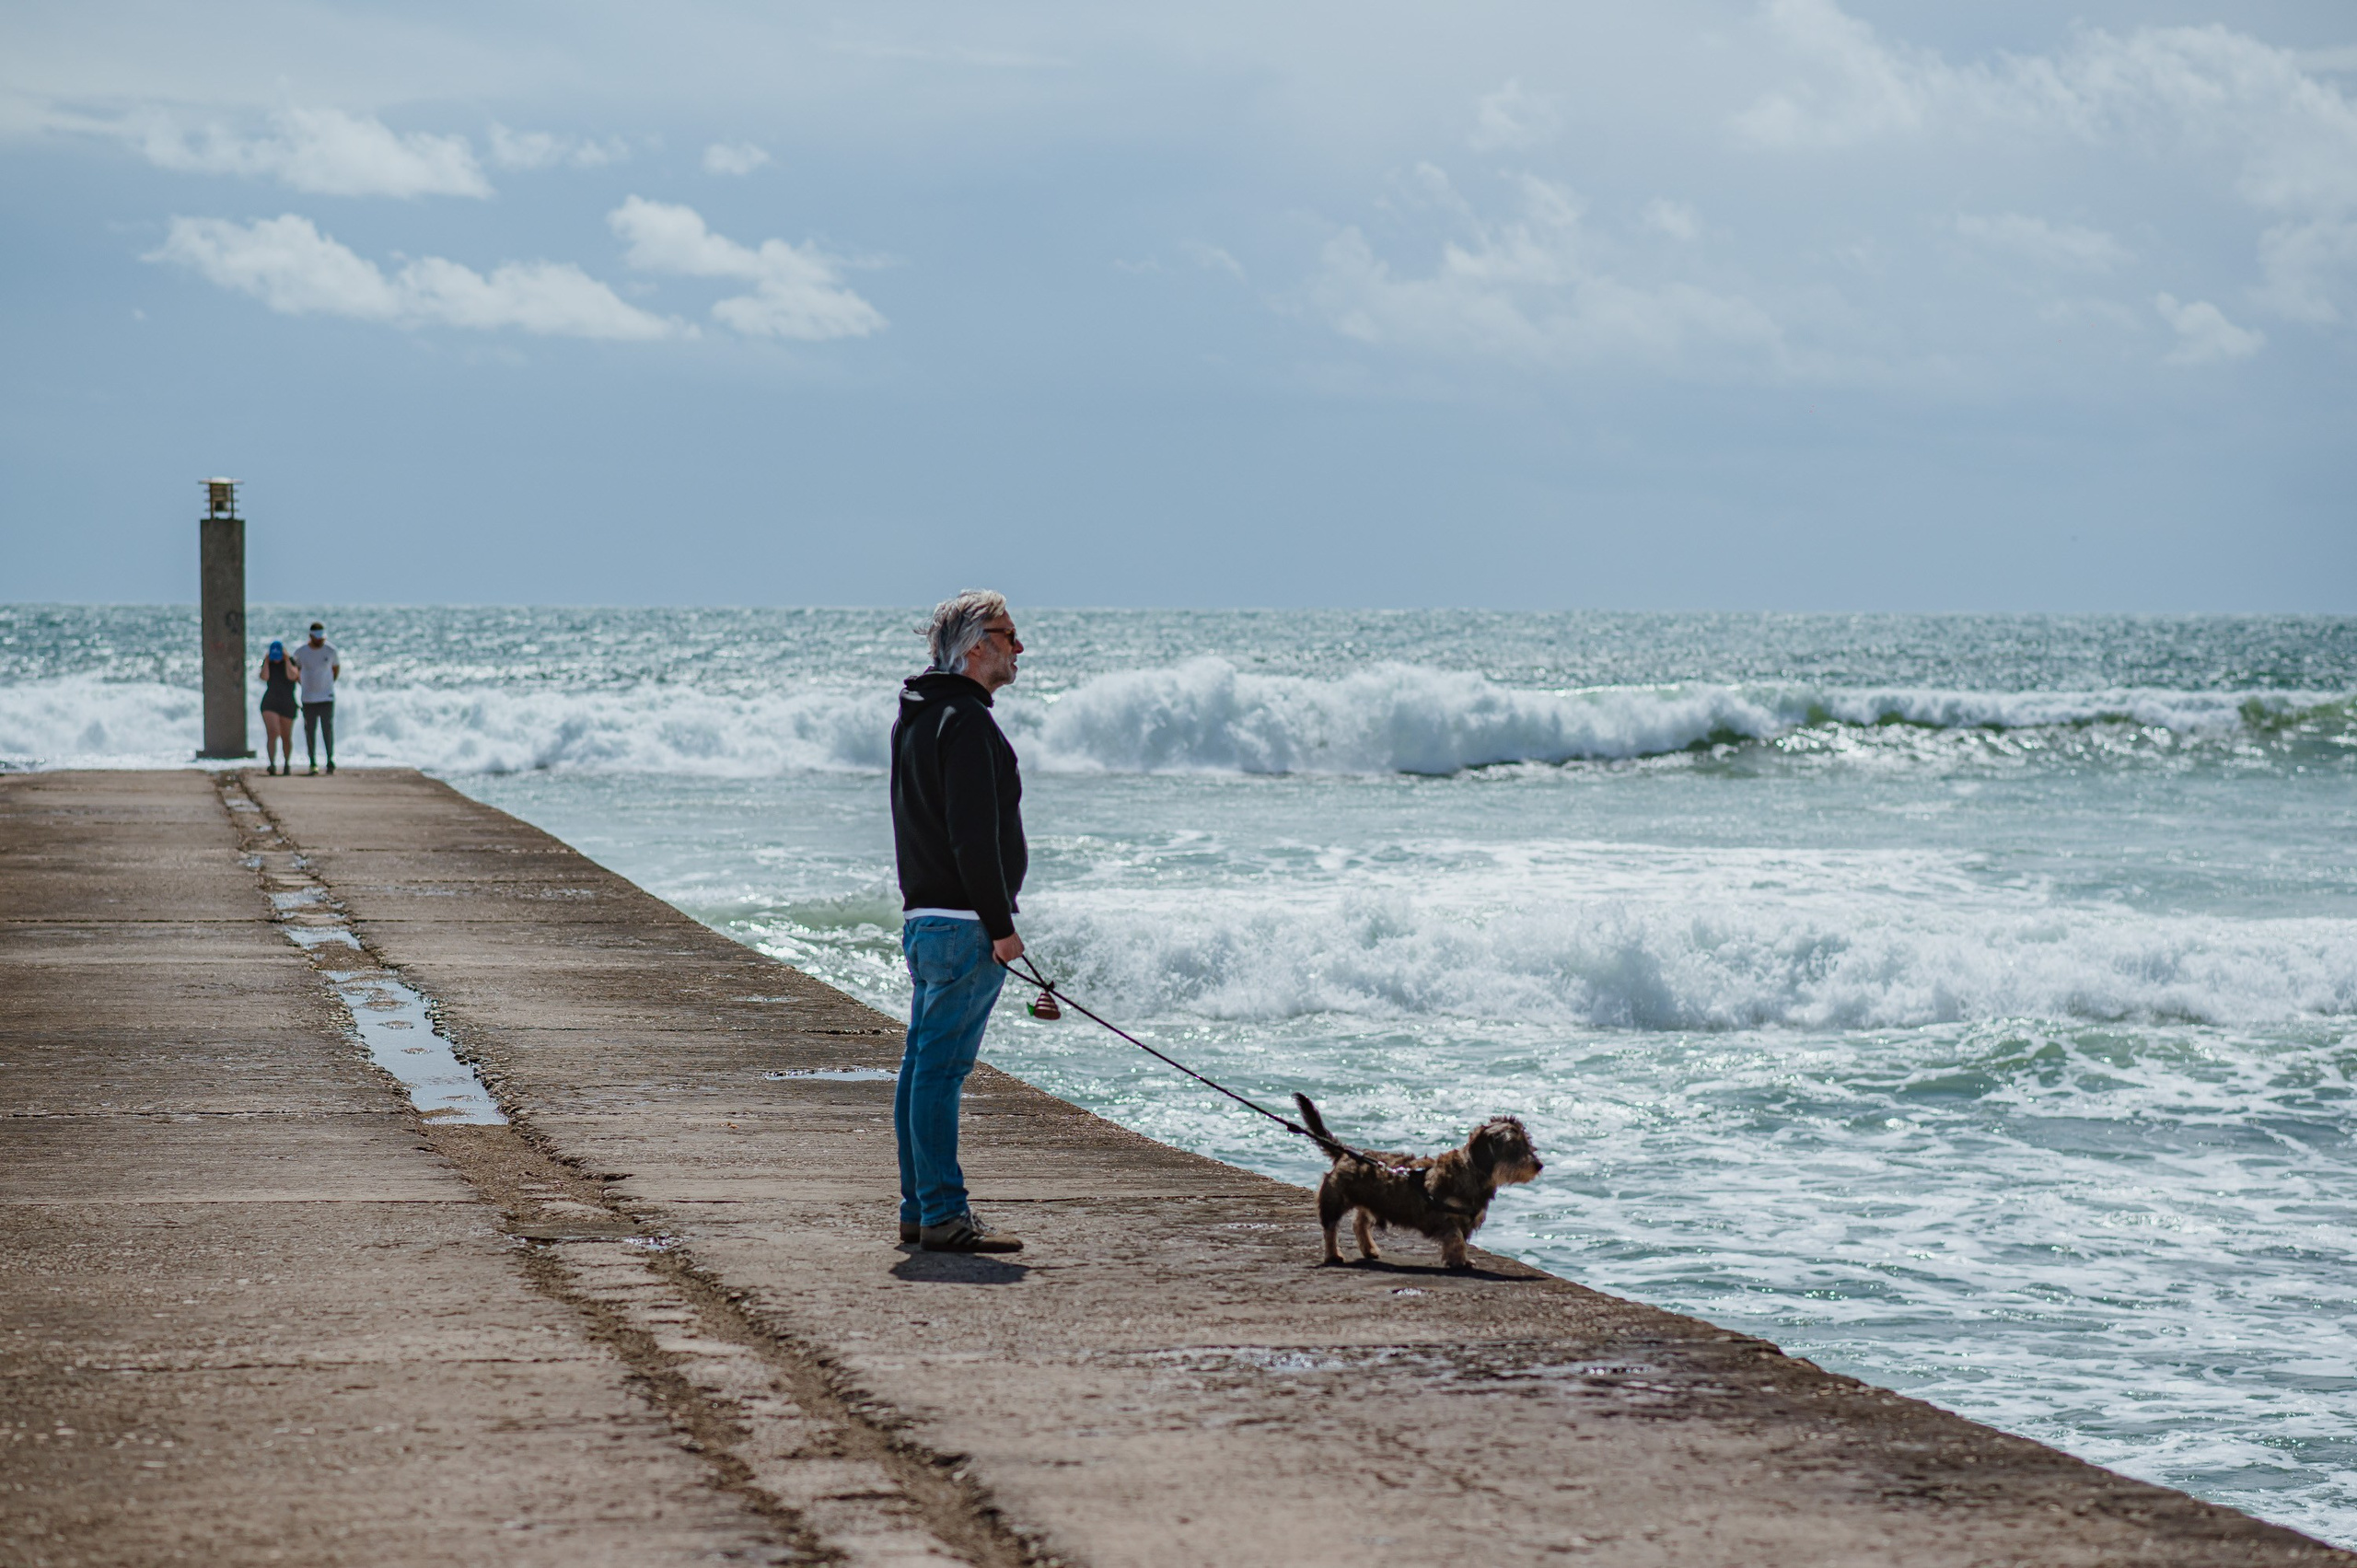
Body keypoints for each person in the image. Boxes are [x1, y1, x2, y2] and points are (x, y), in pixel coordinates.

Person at [888, 590, 1029, 1254]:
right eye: (1008, 634)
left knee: (923, 1066)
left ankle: (921, 1208)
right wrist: (1001, 925)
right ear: (976, 646)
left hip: (927, 917)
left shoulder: (918, 717)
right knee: (938, 1072)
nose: (1018, 647)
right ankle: (944, 1213)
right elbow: (974, 838)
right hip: (963, 920)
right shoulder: (967, 723)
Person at [288, 621, 340, 775]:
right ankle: (312, 762)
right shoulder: (301, 652)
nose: (320, 641)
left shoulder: (331, 650)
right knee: (310, 730)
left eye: (322, 638)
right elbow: (294, 671)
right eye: (317, 638)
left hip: (326, 697)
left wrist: (327, 685)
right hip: (308, 698)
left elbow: (335, 670)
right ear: (311, 636)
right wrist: (302, 683)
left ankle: (330, 759)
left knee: (327, 729)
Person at [255, 639, 298, 774]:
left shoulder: (291, 661)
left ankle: (286, 763)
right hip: (270, 702)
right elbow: (264, 677)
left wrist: (286, 660)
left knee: (286, 735)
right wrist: (267, 661)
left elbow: (293, 676)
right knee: (273, 732)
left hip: (287, 702)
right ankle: (272, 764)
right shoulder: (268, 663)